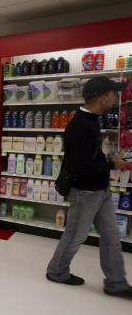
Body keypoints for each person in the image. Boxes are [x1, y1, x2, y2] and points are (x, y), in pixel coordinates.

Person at [46, 77, 132, 299]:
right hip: (85, 192)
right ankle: (56, 271)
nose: (116, 98)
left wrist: (109, 160)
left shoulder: (93, 120)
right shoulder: (80, 125)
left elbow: (91, 155)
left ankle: (116, 283)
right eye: (114, 94)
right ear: (103, 97)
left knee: (112, 237)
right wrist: (112, 164)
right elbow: (80, 166)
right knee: (75, 236)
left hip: (101, 190)